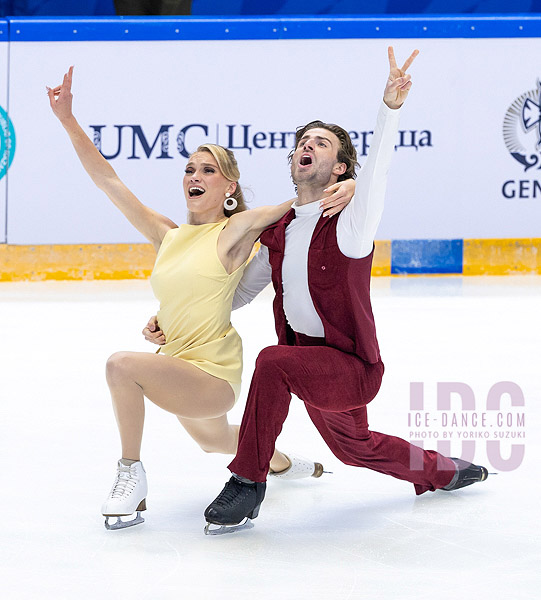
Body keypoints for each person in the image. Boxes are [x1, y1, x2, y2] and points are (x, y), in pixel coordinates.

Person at [47, 67, 354, 530]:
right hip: (176, 362)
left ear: (229, 187)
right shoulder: (166, 234)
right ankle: (289, 462)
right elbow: (107, 181)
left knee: (120, 366)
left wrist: (351, 186)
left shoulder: (234, 231)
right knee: (216, 442)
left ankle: (130, 474)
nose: (195, 175)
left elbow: (307, 201)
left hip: (212, 374)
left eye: (208, 170)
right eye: (190, 168)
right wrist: (68, 120)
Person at [202, 47, 490, 535]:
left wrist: (390, 108)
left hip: (351, 367)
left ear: (339, 168)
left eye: (321, 143)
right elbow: (239, 293)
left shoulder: (351, 223)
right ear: (294, 159)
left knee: (271, 362)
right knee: (354, 447)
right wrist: (181, 322)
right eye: (302, 142)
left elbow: (376, 172)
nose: (307, 146)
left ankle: (247, 483)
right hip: (309, 365)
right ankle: (442, 470)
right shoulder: (279, 230)